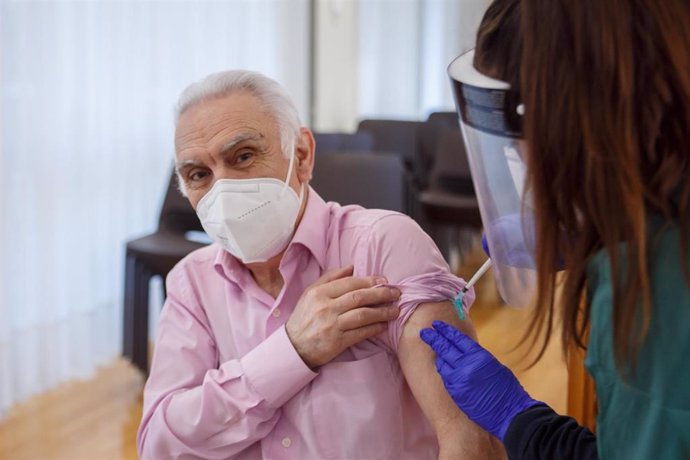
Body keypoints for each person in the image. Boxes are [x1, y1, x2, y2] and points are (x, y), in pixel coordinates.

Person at [137, 70, 504, 459]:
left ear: (301, 155)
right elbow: (159, 443)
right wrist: (293, 351)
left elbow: (469, 439)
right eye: (199, 174)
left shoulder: (383, 247)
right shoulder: (191, 283)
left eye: (243, 156)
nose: (222, 191)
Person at [421, 0, 690, 458]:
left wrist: (516, 416)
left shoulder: (658, 283)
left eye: (520, 134)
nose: (521, 156)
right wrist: (593, 236)